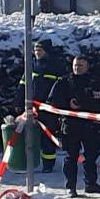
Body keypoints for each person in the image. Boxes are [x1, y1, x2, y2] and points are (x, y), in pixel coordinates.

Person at [52, 55, 100, 197]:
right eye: (75, 65)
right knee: (71, 156)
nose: (77, 68)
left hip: (90, 125)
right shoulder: (64, 82)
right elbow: (53, 102)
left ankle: (91, 184)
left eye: (80, 66)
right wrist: (68, 105)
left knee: (91, 156)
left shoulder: (95, 82)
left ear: (87, 66)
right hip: (71, 125)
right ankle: (70, 187)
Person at [29, 39, 68, 173]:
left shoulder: (57, 66)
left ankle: (48, 164)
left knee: (48, 137)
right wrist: (18, 101)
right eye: (35, 50)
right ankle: (29, 163)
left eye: (40, 50)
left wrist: (54, 103)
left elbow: (61, 87)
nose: (37, 53)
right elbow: (23, 84)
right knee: (31, 136)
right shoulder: (32, 65)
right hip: (33, 107)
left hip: (49, 108)